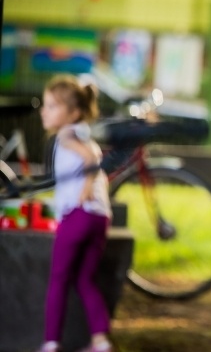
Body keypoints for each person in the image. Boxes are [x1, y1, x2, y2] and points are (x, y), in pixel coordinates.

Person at [39, 75, 113, 352]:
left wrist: (82, 194)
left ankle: (51, 343)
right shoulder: (83, 134)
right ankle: (100, 341)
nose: (44, 111)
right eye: (45, 105)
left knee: (58, 279)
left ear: (74, 113)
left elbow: (91, 160)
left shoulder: (67, 134)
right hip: (99, 217)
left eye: (52, 106)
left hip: (79, 215)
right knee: (85, 279)